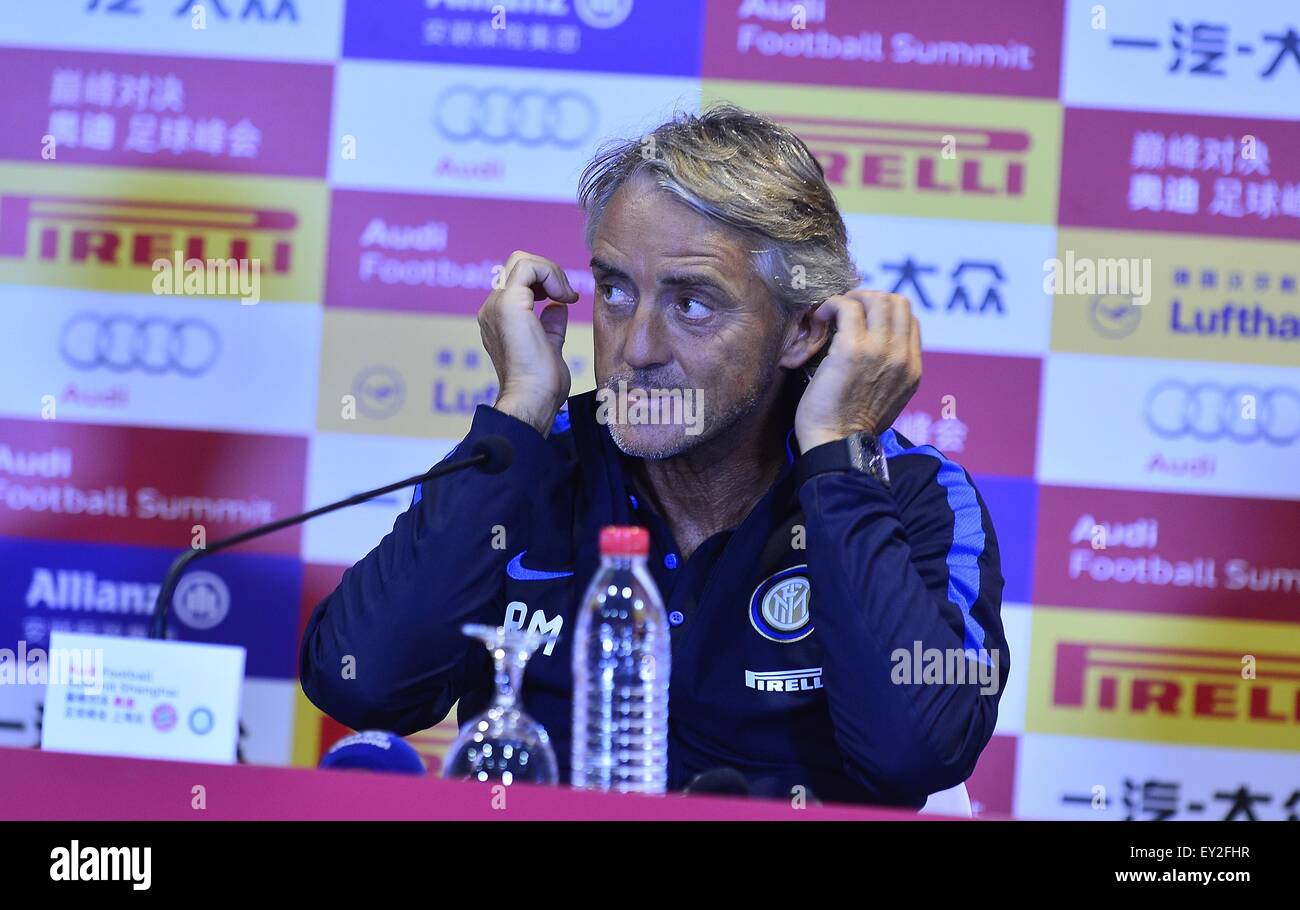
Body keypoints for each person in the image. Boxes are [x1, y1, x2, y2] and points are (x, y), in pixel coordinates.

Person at [300, 104, 1008, 807]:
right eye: (614, 291)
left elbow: (915, 754)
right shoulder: (525, 463)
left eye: (692, 304)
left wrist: (839, 457)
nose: (636, 349)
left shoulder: (910, 491)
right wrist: (518, 411)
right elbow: (362, 685)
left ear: (801, 332)